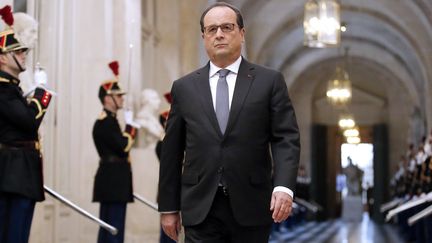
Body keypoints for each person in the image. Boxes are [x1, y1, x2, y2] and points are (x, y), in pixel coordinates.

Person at [158, 2, 300, 242]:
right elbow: (171, 151)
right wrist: (169, 207)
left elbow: (286, 138)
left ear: (241, 34)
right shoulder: (184, 88)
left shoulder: (269, 81)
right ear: (204, 37)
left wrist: (284, 187)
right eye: (212, 29)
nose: (219, 34)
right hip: (200, 207)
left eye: (227, 27)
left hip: (252, 205)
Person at [0, 5, 53, 243]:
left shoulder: (13, 89)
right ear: (2, 57)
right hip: (12, 175)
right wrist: (41, 94)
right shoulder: (3, 90)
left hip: (21, 175)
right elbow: (29, 122)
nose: (24, 54)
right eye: (17, 51)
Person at [92, 61, 140, 243]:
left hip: (115, 181)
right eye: (117, 96)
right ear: (107, 98)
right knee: (112, 229)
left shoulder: (111, 121)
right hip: (112, 181)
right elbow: (123, 147)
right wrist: (131, 128)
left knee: (113, 228)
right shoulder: (105, 123)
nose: (122, 99)